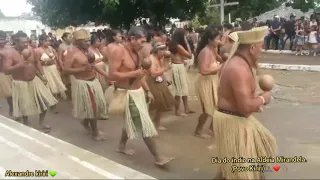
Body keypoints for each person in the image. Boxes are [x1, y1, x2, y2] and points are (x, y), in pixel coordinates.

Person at [213, 26, 277, 179]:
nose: (263, 49)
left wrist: (257, 99)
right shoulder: (238, 68)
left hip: (237, 118)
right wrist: (263, 99)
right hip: (233, 121)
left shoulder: (241, 63)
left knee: (254, 157)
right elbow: (245, 107)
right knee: (240, 170)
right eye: (261, 46)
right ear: (252, 48)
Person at [108, 26, 173, 166]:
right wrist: (133, 74)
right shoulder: (118, 51)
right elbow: (112, 75)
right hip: (128, 94)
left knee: (130, 120)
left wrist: (147, 90)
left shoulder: (136, 53)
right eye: (141, 41)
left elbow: (140, 75)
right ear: (132, 39)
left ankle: (121, 146)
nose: (143, 44)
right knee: (144, 124)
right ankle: (158, 157)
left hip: (138, 93)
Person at [2, 31, 58, 132]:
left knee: (44, 102)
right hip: (20, 83)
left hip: (34, 80)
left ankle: (41, 123)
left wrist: (42, 75)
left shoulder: (31, 49)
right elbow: (6, 70)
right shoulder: (9, 53)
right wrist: (20, 65)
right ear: (16, 42)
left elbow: (36, 63)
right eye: (23, 42)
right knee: (24, 107)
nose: (26, 44)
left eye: (27, 42)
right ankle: (26, 122)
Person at [63, 29, 108, 141]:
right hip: (84, 84)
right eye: (85, 41)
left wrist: (107, 75)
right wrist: (83, 68)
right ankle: (95, 133)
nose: (88, 43)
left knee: (96, 107)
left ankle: (85, 122)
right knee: (93, 108)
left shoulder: (87, 51)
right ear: (77, 42)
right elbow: (66, 70)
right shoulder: (71, 52)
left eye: (88, 40)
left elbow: (92, 65)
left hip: (94, 82)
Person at [193, 26, 221, 139]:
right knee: (207, 110)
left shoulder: (213, 49)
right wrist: (220, 68)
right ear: (210, 40)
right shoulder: (205, 52)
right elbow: (203, 71)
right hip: (204, 82)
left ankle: (212, 128)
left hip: (213, 81)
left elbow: (220, 59)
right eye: (217, 39)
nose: (219, 41)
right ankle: (197, 131)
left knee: (217, 106)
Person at [145, 41, 174, 131]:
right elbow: (153, 74)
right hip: (152, 82)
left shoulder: (159, 57)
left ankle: (157, 123)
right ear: (156, 51)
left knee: (160, 104)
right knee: (154, 104)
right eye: (161, 51)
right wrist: (165, 69)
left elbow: (169, 54)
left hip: (159, 81)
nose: (163, 53)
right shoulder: (151, 59)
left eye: (163, 50)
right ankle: (149, 124)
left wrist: (165, 79)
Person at [168, 28, 195, 116]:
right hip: (178, 68)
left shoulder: (173, 44)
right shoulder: (178, 46)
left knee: (183, 88)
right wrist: (187, 44)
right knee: (179, 90)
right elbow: (190, 55)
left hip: (178, 67)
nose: (185, 37)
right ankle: (178, 110)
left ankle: (186, 108)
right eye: (184, 35)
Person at [36, 34, 67, 105]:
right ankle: (51, 102)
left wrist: (57, 66)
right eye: (46, 41)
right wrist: (45, 63)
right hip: (46, 70)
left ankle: (55, 101)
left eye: (48, 41)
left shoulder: (50, 48)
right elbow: (37, 62)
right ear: (41, 41)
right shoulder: (38, 50)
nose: (48, 42)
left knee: (55, 86)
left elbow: (55, 58)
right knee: (49, 87)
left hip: (53, 69)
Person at [0, 30, 13, 117]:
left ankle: (12, 110)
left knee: (10, 94)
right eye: (0, 39)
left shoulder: (9, 48)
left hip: (7, 74)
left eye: (3, 39)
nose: (2, 41)